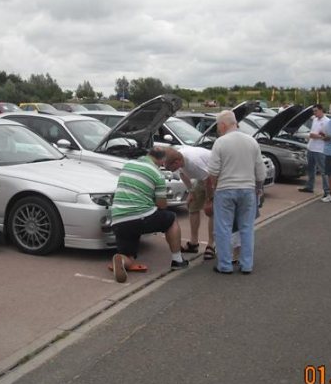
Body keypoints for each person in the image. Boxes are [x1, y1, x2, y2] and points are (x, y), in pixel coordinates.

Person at [110, 147, 189, 283]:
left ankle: (121, 260)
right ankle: (177, 260)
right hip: (140, 217)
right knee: (171, 219)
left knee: (129, 256)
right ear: (162, 160)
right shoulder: (157, 174)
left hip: (118, 219)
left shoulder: (128, 165)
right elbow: (162, 205)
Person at [207, 110, 266, 274]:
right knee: (246, 228)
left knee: (223, 228)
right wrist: (259, 188)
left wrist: (215, 188)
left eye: (218, 126)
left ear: (224, 125)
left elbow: (213, 172)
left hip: (225, 190)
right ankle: (246, 264)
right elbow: (261, 172)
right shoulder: (252, 142)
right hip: (248, 190)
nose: (218, 129)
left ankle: (225, 265)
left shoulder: (220, 142)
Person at [164, 147, 216, 260]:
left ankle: (211, 245)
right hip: (202, 179)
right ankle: (194, 243)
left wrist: (209, 200)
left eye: (170, 167)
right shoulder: (179, 159)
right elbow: (183, 175)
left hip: (214, 178)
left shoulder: (194, 163)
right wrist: (191, 192)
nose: (170, 170)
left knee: (212, 211)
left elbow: (209, 181)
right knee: (192, 207)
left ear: (177, 162)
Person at [298, 104, 330, 197]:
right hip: (311, 147)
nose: (314, 113)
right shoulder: (315, 120)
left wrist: (318, 136)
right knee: (310, 169)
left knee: (323, 170)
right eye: (313, 111)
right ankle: (309, 186)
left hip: (320, 149)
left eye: (316, 111)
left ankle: (327, 191)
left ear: (321, 110)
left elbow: (328, 137)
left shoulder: (327, 122)